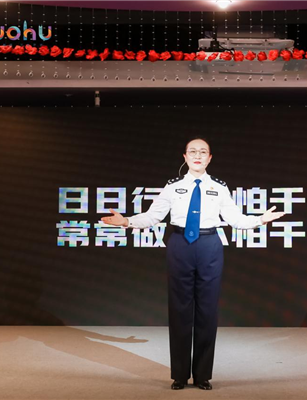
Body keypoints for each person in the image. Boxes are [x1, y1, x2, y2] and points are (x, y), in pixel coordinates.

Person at [101, 138, 285, 390]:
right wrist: (126, 222)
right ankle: (179, 374)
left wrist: (260, 219)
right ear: (185, 157)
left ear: (209, 158)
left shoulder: (219, 187)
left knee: (207, 311)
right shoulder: (172, 186)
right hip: (179, 244)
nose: (197, 155)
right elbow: (153, 216)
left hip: (210, 245)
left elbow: (235, 219)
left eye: (203, 152)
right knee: (179, 310)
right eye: (192, 151)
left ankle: (202, 375)